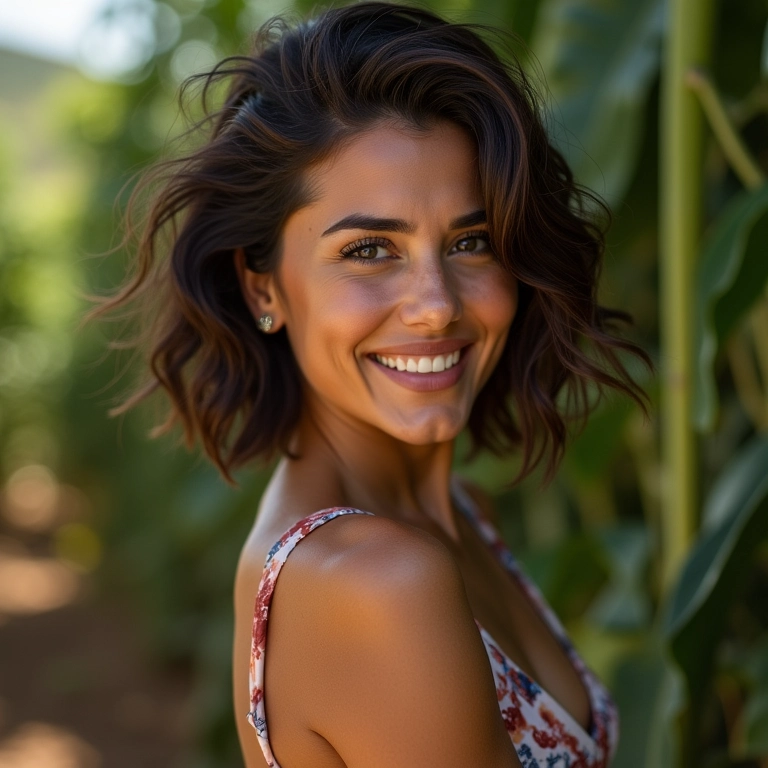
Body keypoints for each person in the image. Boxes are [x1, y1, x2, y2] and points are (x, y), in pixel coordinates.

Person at [93, 2, 654, 766]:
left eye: (472, 240)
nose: (436, 304)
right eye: (368, 249)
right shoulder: (380, 581)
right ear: (263, 288)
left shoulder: (455, 517)